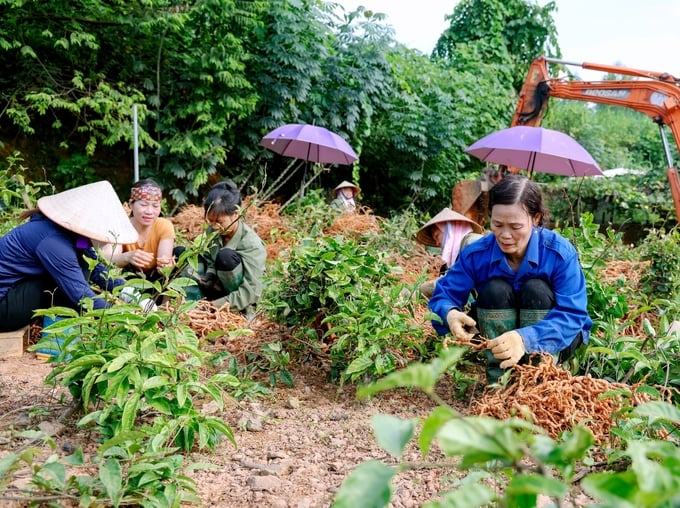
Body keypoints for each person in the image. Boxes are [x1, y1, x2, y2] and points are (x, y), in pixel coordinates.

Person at [429, 175, 592, 384]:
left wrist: (524, 339)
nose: (505, 235)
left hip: (557, 337)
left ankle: (541, 379)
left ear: (535, 219)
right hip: (497, 336)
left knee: (537, 290)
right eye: (497, 224)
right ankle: (500, 382)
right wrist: (450, 314)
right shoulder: (477, 254)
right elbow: (444, 294)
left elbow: (572, 314)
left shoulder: (558, 253)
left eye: (515, 227)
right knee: (494, 289)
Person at [0, 180, 139, 332]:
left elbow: (97, 269)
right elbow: (80, 294)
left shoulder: (65, 234)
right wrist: (123, 316)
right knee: (64, 282)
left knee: (84, 265)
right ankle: (58, 339)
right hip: (3, 308)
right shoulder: (53, 242)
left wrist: (134, 296)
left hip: (14, 293)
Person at [181, 181, 266, 318]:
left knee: (226, 257)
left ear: (236, 214)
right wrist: (210, 274)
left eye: (219, 222)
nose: (214, 226)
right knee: (185, 254)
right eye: (210, 221)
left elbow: (251, 291)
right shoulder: (213, 231)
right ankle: (190, 306)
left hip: (239, 298)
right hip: (215, 289)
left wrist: (214, 306)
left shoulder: (252, 244)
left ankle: (238, 313)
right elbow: (209, 258)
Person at [100, 178, 176, 279]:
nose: (149, 211)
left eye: (155, 206)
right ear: (131, 204)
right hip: (130, 279)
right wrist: (127, 257)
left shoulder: (164, 226)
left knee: (180, 252)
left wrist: (165, 267)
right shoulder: (120, 226)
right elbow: (107, 259)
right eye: (144, 205)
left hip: (156, 278)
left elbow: (164, 260)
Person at [415, 207, 484, 299]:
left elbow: (455, 281)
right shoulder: (460, 252)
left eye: (437, 236)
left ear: (449, 230)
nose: (437, 243)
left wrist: (418, 291)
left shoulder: (472, 242)